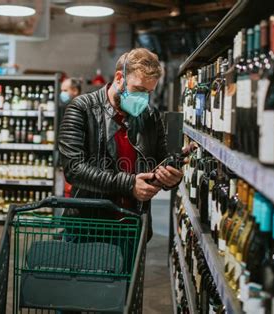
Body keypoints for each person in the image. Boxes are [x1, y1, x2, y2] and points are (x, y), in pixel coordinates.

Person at [58, 48, 183, 240]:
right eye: (139, 89)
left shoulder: (150, 116)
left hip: (132, 227)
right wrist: (130, 184)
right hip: (88, 226)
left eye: (149, 92)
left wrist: (168, 177)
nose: (144, 98)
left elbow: (159, 160)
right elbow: (73, 169)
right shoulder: (82, 109)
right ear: (119, 78)